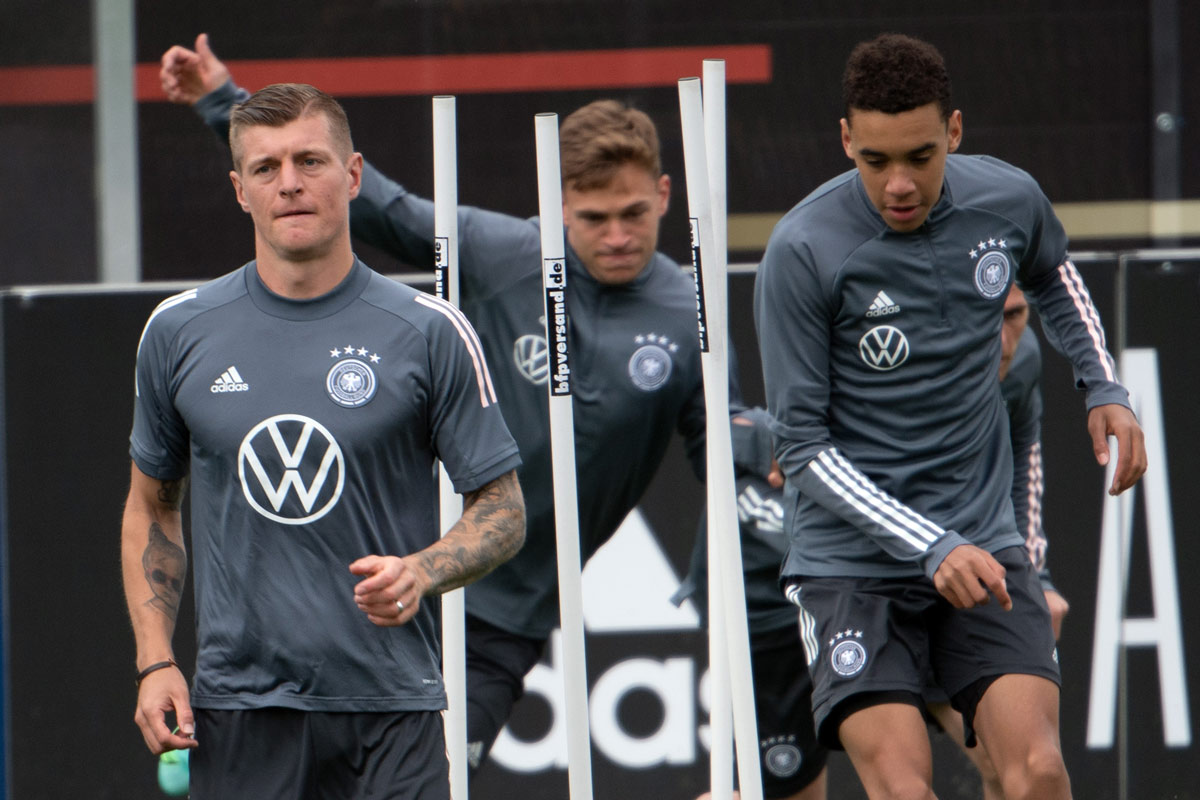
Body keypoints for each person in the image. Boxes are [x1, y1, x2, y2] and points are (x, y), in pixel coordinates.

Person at [161, 34, 727, 776]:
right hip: (395, 585)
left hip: (509, 610)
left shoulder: (693, 309)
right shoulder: (505, 254)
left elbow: (724, 448)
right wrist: (218, 100)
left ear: (664, 195)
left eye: (632, 214)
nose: (617, 237)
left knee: (442, 780)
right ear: (560, 209)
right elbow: (376, 208)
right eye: (593, 219)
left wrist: (763, 454)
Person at [754, 32, 1146, 800]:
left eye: (920, 156)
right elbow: (801, 448)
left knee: (1036, 773)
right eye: (875, 161)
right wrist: (931, 545)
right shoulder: (801, 251)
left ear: (955, 132)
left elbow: (1055, 277)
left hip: (983, 544)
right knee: (907, 790)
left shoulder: (1008, 198)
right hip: (851, 569)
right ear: (845, 141)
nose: (898, 183)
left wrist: (1103, 385)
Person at [122, 83, 525, 799]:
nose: (290, 184)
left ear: (354, 174)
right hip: (242, 711)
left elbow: (502, 507)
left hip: (392, 709)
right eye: (266, 168)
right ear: (240, 189)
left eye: (310, 161)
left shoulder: (431, 331)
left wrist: (424, 571)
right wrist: (156, 662)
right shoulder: (178, 331)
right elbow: (152, 508)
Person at [926, 284, 1069, 800]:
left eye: (1013, 315)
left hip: (968, 584)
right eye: (984, 317)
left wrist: (1038, 574)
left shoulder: (1023, 358)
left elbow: (1022, 460)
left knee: (1018, 769)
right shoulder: (895, 359)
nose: (1003, 341)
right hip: (866, 582)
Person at [674, 409, 829, 800]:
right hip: (763, 646)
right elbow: (801, 537)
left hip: (807, 630)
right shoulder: (744, 483)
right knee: (764, 787)